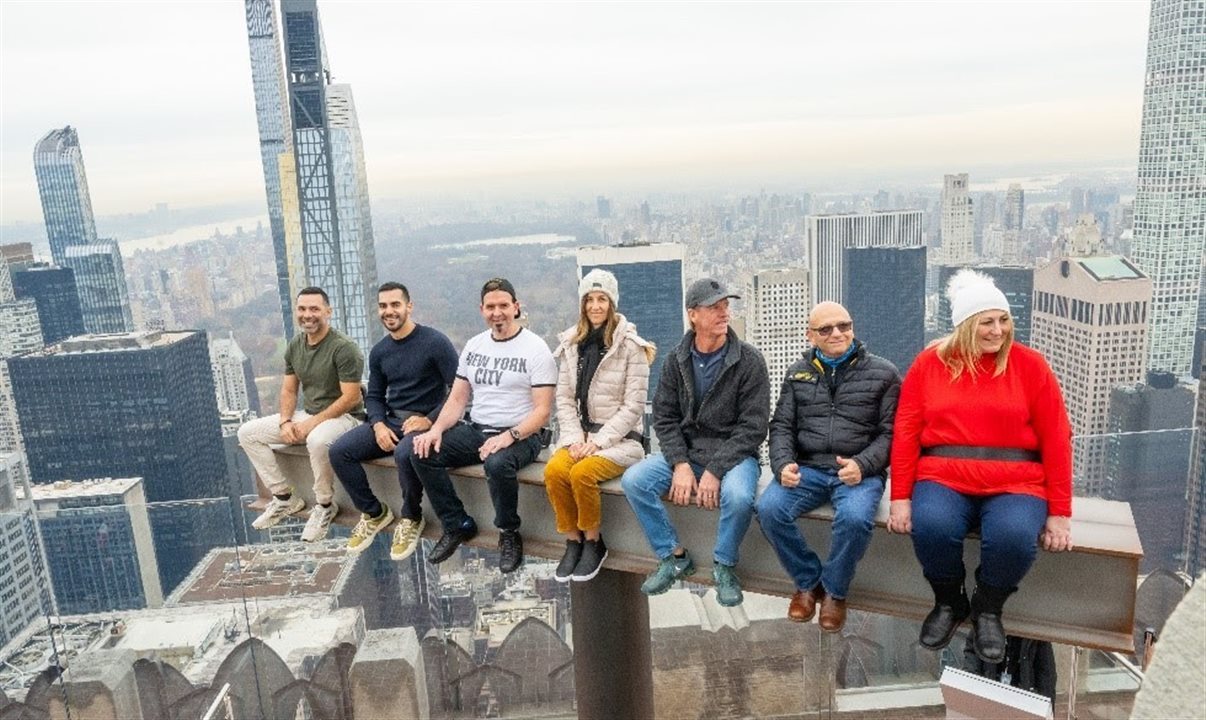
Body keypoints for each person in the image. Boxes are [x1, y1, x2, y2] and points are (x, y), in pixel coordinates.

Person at [887, 269, 1073, 663]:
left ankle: (988, 607)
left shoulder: (1030, 366)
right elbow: (906, 432)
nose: (997, 330)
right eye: (986, 322)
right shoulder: (929, 365)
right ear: (965, 325)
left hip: (1016, 481)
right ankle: (949, 601)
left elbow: (1057, 438)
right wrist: (901, 496)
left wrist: (1059, 512)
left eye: (1003, 320)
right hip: (943, 475)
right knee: (933, 527)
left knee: (1013, 536)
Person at [621, 277, 770, 607]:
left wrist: (715, 470)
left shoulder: (749, 361)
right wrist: (681, 463)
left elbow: (754, 427)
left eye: (725, 306)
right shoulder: (676, 360)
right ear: (693, 315)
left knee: (740, 496)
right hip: (688, 451)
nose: (723, 313)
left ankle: (724, 565)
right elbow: (664, 416)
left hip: (735, 455)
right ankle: (673, 555)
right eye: (714, 307)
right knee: (635, 480)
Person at [757, 301, 900, 632]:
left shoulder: (884, 373)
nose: (837, 333)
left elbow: (892, 433)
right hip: (808, 467)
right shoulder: (798, 373)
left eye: (844, 326)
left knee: (854, 519)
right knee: (769, 509)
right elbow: (781, 426)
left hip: (857, 472)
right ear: (811, 336)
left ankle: (835, 591)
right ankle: (807, 582)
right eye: (826, 329)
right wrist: (781, 465)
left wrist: (863, 465)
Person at [411, 278, 556, 573]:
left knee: (497, 464)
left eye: (504, 305)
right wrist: (436, 429)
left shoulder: (536, 348)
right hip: (477, 429)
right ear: (481, 310)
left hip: (522, 434)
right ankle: (456, 524)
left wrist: (509, 436)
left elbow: (542, 411)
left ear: (516, 307)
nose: (497, 312)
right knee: (422, 452)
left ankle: (508, 533)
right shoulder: (474, 346)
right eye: (491, 307)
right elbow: (457, 400)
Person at [328, 282, 458, 559]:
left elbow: (460, 392)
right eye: (383, 306)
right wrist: (377, 425)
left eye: (395, 305)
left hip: (426, 424)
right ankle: (374, 512)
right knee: (340, 451)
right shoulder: (380, 351)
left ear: (409, 307)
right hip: (390, 421)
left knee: (404, 453)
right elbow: (374, 396)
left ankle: (411, 516)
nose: (389, 311)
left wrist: (430, 420)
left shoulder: (435, 342)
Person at [545, 269, 654, 582]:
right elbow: (563, 399)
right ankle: (572, 539)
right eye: (589, 299)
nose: (595, 306)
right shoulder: (571, 346)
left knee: (581, 474)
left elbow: (633, 407)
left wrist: (598, 442)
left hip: (621, 441)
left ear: (612, 303)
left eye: (602, 299)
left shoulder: (631, 347)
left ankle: (594, 541)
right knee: (554, 471)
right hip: (580, 436)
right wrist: (575, 439)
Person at [239, 286, 365, 541]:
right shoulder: (296, 345)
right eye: (302, 309)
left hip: (346, 419)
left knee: (317, 440)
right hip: (307, 415)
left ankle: (325, 506)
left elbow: (352, 397)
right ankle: (285, 497)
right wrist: (286, 421)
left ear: (328, 312)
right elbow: (288, 390)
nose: (308, 314)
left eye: (314, 309)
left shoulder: (343, 348)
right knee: (248, 433)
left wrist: (310, 425)